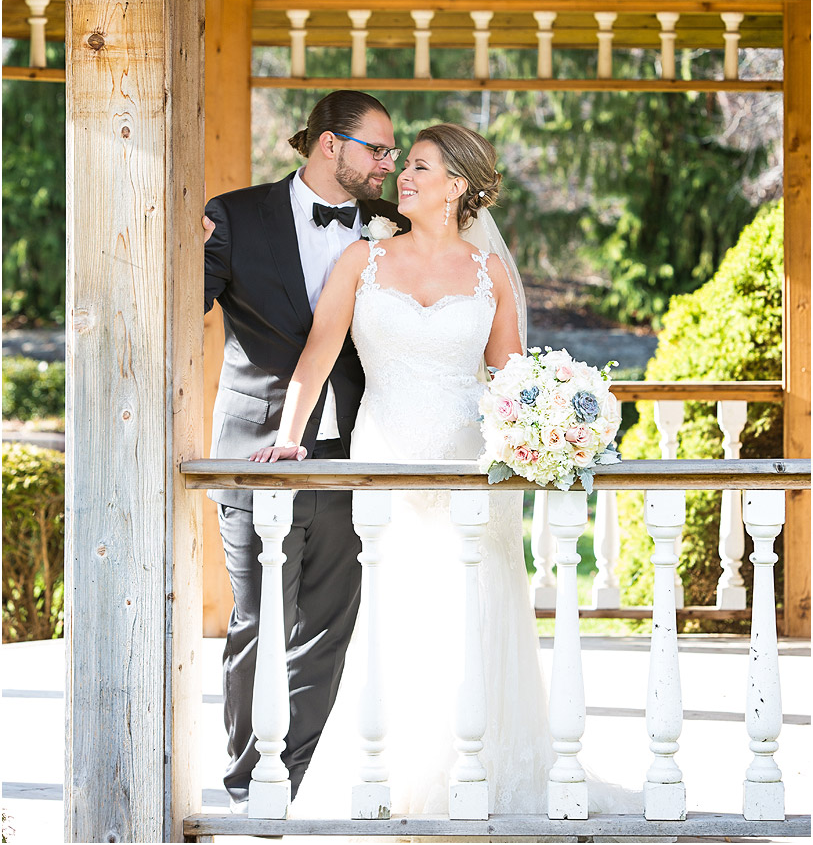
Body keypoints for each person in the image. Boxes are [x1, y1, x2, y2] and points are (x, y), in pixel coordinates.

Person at [252, 122, 638, 819]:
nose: (404, 175)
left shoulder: (487, 273)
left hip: (472, 466)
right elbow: (315, 356)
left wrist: (545, 429)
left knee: (476, 609)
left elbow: (510, 375)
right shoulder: (361, 263)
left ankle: (487, 771)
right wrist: (288, 437)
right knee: (395, 612)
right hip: (387, 458)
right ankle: (391, 780)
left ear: (457, 186)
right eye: (406, 166)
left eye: (422, 167)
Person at [203, 90, 407, 812]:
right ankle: (240, 781)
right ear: (329, 144)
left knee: (326, 627)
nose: (388, 163)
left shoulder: (394, 228)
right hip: (256, 449)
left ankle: (286, 779)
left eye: (390, 152)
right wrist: (171, 240)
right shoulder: (232, 217)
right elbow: (169, 303)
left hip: (356, 454)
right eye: (376, 149)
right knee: (258, 619)